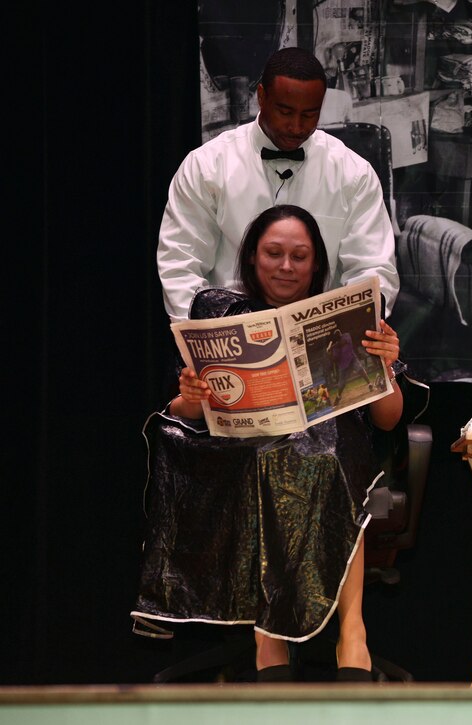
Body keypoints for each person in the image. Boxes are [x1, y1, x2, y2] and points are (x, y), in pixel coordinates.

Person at [134, 205, 404, 682]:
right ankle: (269, 637)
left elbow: (388, 420)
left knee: (325, 460)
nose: (286, 266)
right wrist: (192, 397)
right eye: (274, 253)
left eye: (299, 256)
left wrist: (382, 369)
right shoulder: (220, 313)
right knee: (265, 459)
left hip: (331, 452)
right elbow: (184, 414)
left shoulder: (348, 316)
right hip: (243, 455)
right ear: (252, 258)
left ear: (316, 263)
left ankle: (352, 630)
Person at [157, 46, 399, 323]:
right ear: (261, 97)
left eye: (309, 115)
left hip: (323, 341)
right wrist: (206, 338)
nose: (296, 126)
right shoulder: (207, 167)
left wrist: (353, 329)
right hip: (230, 334)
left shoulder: (353, 174)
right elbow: (179, 263)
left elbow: (373, 269)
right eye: (285, 112)